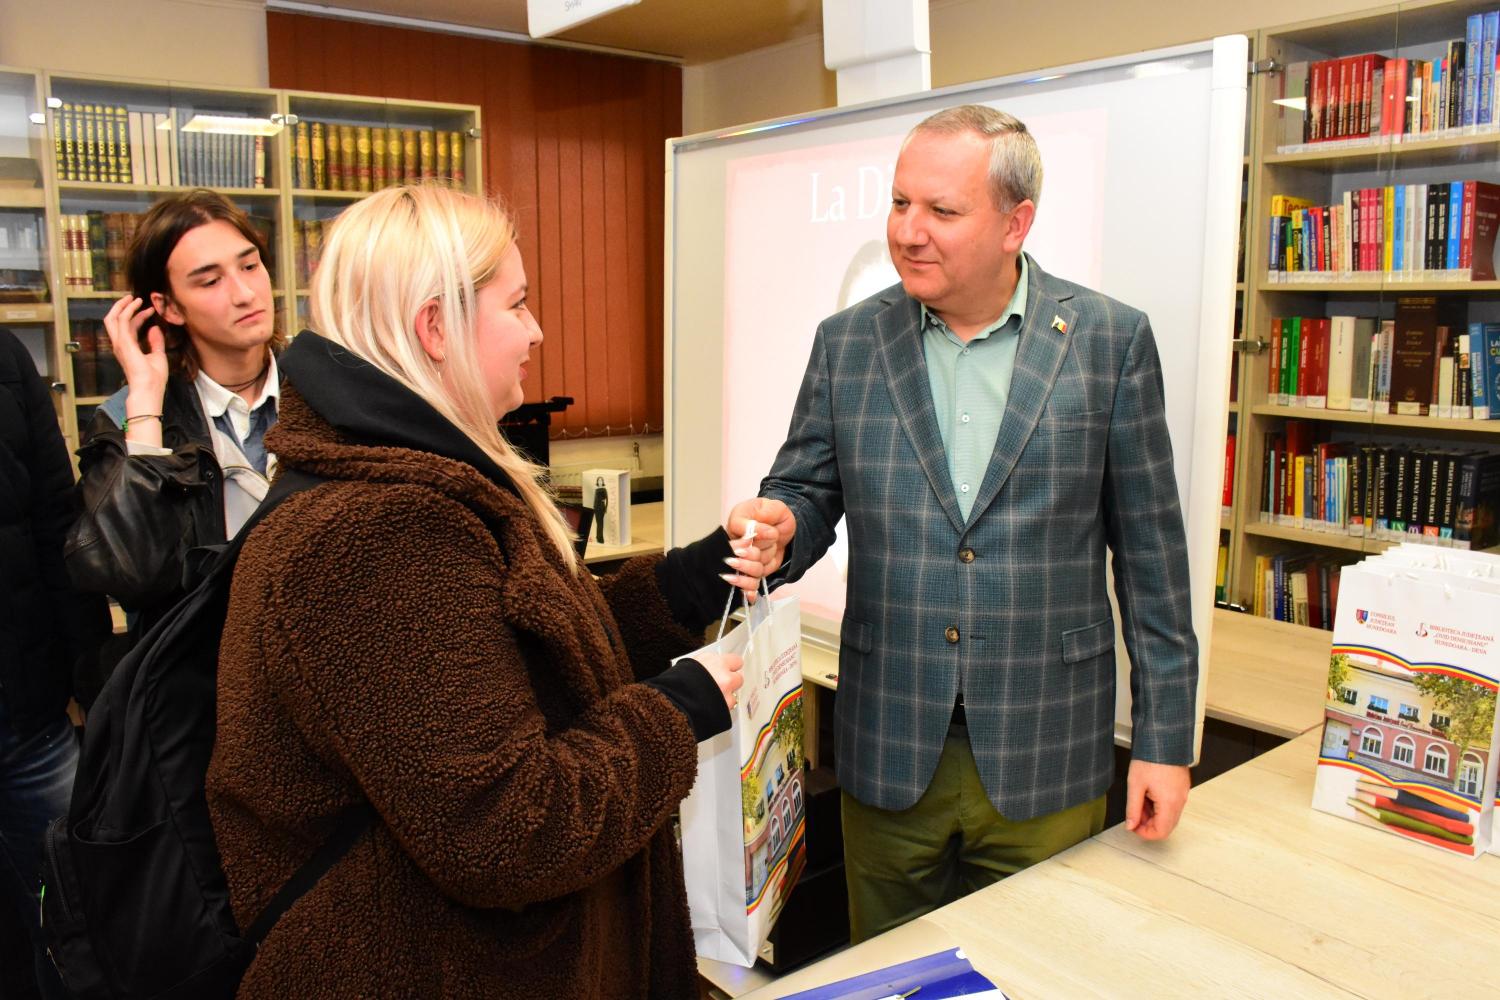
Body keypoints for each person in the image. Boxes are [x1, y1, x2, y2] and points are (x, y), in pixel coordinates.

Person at [204, 185, 760, 998]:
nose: (537, 331)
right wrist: (675, 712)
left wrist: (691, 580)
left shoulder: (421, 481)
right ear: (436, 327)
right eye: (518, 304)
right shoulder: (375, 534)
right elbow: (507, 829)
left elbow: (520, 657)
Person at [728, 105, 1199, 943]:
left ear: (1017, 223)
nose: (908, 231)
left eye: (941, 210)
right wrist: (782, 528)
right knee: (888, 975)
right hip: (889, 739)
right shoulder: (849, 342)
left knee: (1042, 971)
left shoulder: (1109, 342)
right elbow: (806, 489)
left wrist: (1164, 741)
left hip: (1046, 748)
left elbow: (1152, 560)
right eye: (899, 202)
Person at [65, 189, 281, 639]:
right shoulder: (125, 415)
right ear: (167, 306)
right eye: (210, 281)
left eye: (249, 266)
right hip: (200, 666)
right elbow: (134, 577)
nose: (245, 294)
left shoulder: (323, 391)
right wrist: (146, 404)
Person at [0, 329, 110, 999]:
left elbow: (55, 521)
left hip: (27, 716)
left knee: (74, 906)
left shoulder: (7, 359)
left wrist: (90, 679)